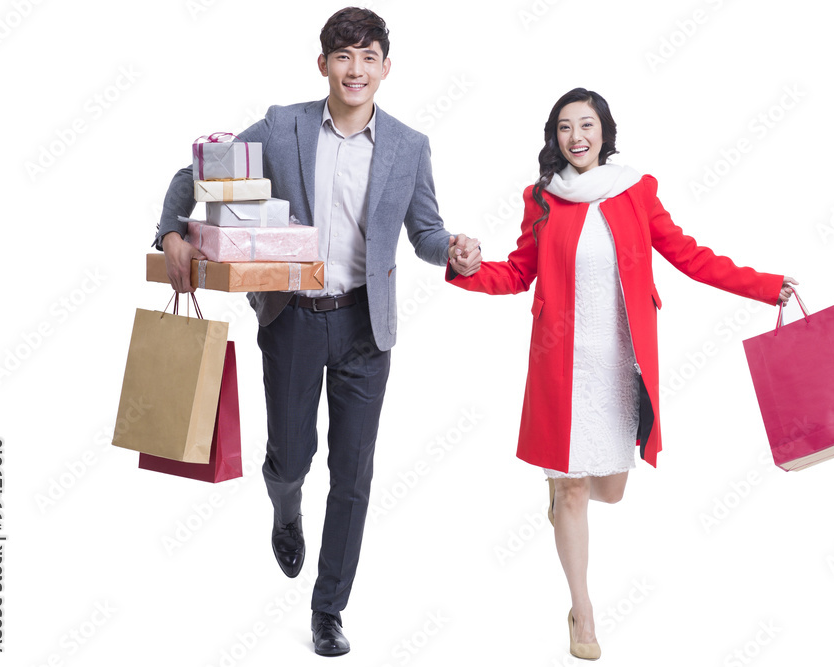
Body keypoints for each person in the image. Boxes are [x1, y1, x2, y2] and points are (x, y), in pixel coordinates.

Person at [153, 7, 481, 657]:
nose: (355, 69)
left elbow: (426, 232)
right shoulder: (283, 127)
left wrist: (454, 251)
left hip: (367, 327)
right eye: (342, 56)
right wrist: (171, 231)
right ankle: (284, 506)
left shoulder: (409, 147)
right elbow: (194, 176)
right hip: (293, 318)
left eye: (368, 57)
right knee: (291, 456)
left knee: (353, 473)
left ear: (387, 66)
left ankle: (327, 608)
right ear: (324, 64)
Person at [445, 87, 797, 660]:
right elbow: (516, 273)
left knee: (611, 487)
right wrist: (465, 268)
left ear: (605, 131)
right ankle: (581, 611)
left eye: (586, 124)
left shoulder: (636, 190)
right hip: (561, 362)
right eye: (564, 127)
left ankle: (563, 494)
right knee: (576, 485)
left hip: (618, 362)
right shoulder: (541, 199)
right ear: (553, 137)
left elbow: (690, 255)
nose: (576, 136)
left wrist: (764, 286)